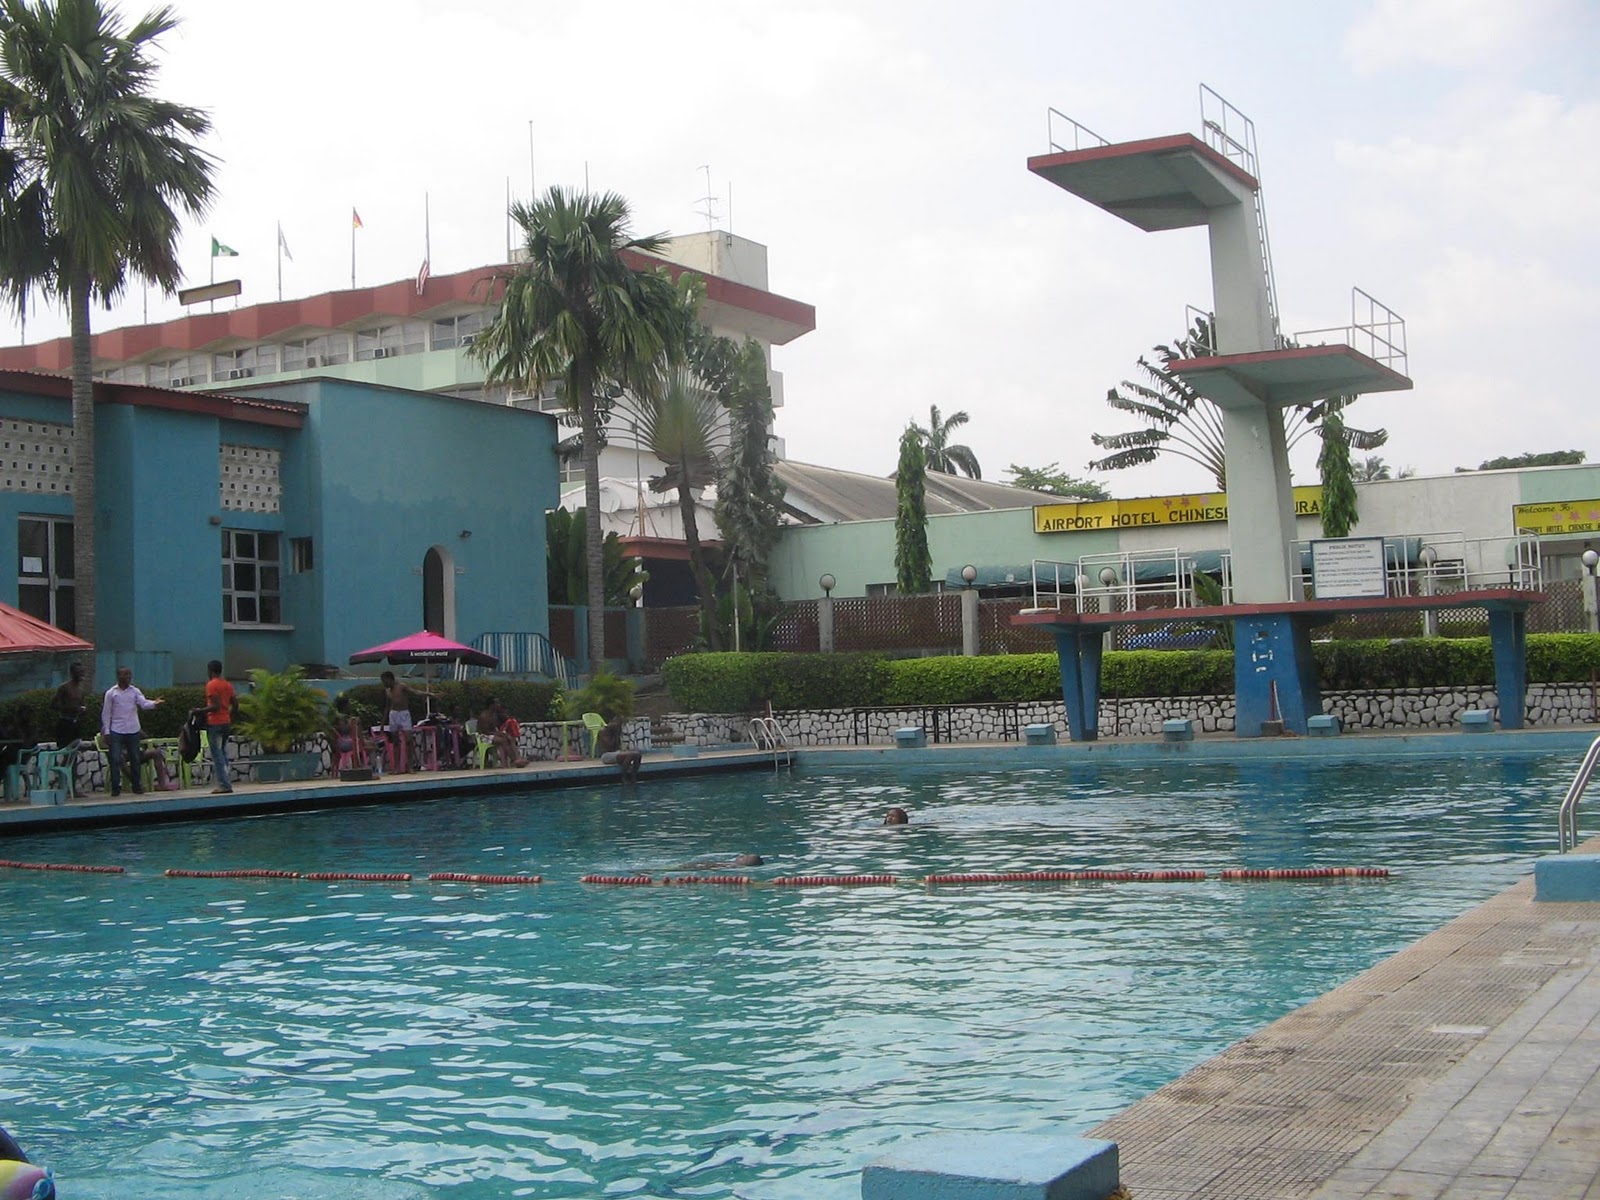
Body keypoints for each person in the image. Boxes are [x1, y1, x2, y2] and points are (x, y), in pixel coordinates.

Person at [101, 667, 164, 797]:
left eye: (129, 674)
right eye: (125, 675)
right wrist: (107, 731)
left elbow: (143, 703)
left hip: (132, 730)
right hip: (117, 730)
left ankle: (136, 786)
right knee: (115, 759)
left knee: (135, 758)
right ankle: (115, 788)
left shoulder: (134, 691)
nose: (128, 677)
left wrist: (154, 704)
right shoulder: (111, 693)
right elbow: (106, 713)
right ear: (119, 676)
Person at [198, 660, 235, 794]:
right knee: (223, 752)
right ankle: (226, 780)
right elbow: (235, 704)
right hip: (226, 722)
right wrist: (229, 716)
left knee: (217, 754)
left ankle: (224, 785)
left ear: (210, 670)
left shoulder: (211, 685)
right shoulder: (227, 685)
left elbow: (215, 706)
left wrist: (199, 711)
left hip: (215, 723)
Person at [477, 699, 528, 768]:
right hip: (484, 736)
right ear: (491, 705)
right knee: (503, 740)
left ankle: (518, 758)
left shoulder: (494, 714)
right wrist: (498, 734)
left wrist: (501, 733)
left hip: (492, 733)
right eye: (497, 703)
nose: (499, 705)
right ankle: (514, 760)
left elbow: (496, 727)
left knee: (510, 737)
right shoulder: (484, 716)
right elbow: (486, 732)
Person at [381, 671, 414, 773]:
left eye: (385, 681)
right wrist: (383, 723)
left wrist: (428, 694)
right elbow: (387, 707)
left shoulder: (401, 686)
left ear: (390, 679)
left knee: (408, 740)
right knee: (395, 741)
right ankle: (396, 767)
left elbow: (414, 692)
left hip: (404, 713)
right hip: (393, 714)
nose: (384, 684)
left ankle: (410, 766)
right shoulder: (387, 691)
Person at [50, 661, 88, 748]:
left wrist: (83, 709)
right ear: (72, 673)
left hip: (76, 723)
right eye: (79, 672)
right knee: (64, 750)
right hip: (65, 723)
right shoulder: (64, 687)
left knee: (74, 752)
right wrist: (70, 708)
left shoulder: (80, 689)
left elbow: (82, 703)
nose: (82, 674)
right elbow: (53, 705)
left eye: (82, 672)